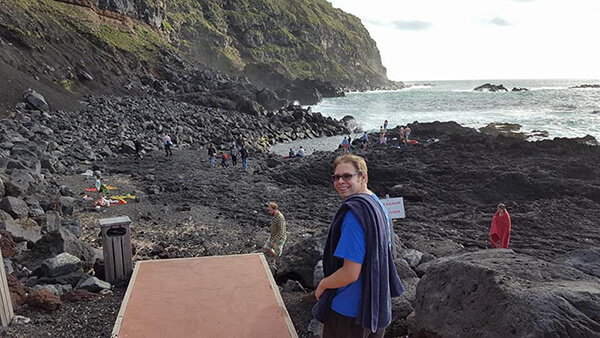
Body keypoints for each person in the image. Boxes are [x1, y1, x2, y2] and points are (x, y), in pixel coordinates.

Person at [313, 154, 404, 337]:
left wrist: (323, 284)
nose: (340, 181)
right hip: (375, 304)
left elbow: (350, 273)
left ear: (363, 177)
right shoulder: (376, 204)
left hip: (350, 312)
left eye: (347, 176)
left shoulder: (355, 215)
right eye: (336, 177)